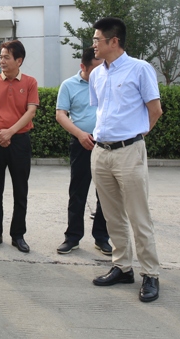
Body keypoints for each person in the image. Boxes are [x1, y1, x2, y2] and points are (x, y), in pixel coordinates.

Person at [89, 17, 162, 303]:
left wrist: (136, 136)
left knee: (138, 216)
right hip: (101, 152)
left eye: (97, 39)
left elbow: (155, 110)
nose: (94, 44)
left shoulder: (140, 69)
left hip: (129, 151)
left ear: (114, 41)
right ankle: (122, 267)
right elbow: (101, 111)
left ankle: (150, 273)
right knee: (112, 215)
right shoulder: (97, 74)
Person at [0, 40, 38, 253]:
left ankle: (18, 235)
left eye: (6, 57)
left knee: (20, 190)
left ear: (19, 60)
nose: (2, 61)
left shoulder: (30, 82)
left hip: (20, 141)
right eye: (1, 57)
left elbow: (30, 111)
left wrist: (10, 132)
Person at [55, 47, 111, 255]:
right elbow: (61, 114)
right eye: (95, 69)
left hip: (107, 144)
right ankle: (73, 237)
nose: (100, 73)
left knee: (105, 193)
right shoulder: (69, 85)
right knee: (78, 192)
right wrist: (80, 134)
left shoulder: (108, 82)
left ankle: (102, 238)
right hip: (81, 144)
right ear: (83, 67)